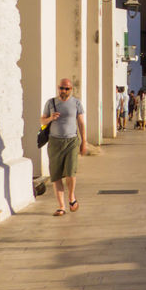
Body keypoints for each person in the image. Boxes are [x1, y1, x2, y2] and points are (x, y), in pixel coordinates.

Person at [42, 78, 87, 216]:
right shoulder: (51, 103)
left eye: (67, 89)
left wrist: (83, 141)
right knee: (56, 176)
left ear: (71, 89)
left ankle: (71, 197)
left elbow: (80, 123)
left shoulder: (76, 103)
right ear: (58, 88)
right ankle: (61, 206)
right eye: (62, 88)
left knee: (70, 173)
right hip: (55, 142)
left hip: (71, 141)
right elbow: (42, 120)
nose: (64, 91)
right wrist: (50, 118)